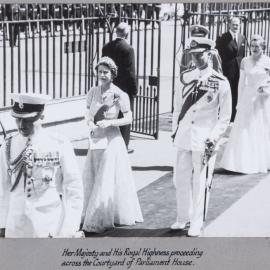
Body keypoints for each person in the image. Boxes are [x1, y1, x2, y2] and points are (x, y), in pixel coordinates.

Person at [171, 36, 232, 237]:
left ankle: (197, 222)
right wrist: (175, 130)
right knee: (180, 178)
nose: (196, 58)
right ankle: (183, 217)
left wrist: (213, 138)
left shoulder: (220, 82)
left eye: (200, 55)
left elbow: (224, 117)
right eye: (193, 55)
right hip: (184, 136)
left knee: (200, 182)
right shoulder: (186, 78)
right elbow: (178, 107)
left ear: (209, 53)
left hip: (204, 140)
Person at [0, 93, 83, 238]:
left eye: (28, 119)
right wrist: (2, 225)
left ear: (41, 116)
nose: (21, 125)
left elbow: (74, 189)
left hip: (49, 226)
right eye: (17, 119)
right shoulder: (8, 146)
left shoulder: (59, 144)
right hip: (16, 227)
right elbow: (3, 188)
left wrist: (69, 228)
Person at [82, 57, 143, 233]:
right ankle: (90, 212)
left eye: (105, 72)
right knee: (93, 173)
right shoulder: (93, 91)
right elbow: (87, 112)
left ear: (112, 74)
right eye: (100, 71)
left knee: (107, 176)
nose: (102, 75)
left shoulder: (119, 94)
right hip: (96, 139)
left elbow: (129, 118)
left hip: (111, 140)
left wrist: (110, 123)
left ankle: (106, 214)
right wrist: (90, 124)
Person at [220, 35, 270, 174]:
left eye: (257, 46)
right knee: (245, 129)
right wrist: (239, 102)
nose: (254, 49)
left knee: (262, 128)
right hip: (248, 96)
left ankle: (264, 160)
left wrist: (266, 88)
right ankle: (241, 161)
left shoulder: (268, 61)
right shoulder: (245, 61)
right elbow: (241, 83)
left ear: (263, 48)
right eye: (252, 46)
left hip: (263, 100)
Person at [102, 22, 137, 153]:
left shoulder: (106, 47)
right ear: (127, 33)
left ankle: (109, 142)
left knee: (110, 115)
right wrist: (134, 90)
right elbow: (130, 72)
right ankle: (123, 145)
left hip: (109, 86)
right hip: (124, 89)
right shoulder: (128, 49)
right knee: (124, 117)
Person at [216, 16, 246, 122]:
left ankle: (234, 116)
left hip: (239, 72)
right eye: (233, 24)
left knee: (236, 93)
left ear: (240, 25)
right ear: (229, 24)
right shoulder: (223, 38)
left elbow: (243, 56)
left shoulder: (242, 37)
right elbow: (218, 55)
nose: (235, 26)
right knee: (226, 94)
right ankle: (223, 116)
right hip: (227, 71)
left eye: (237, 24)